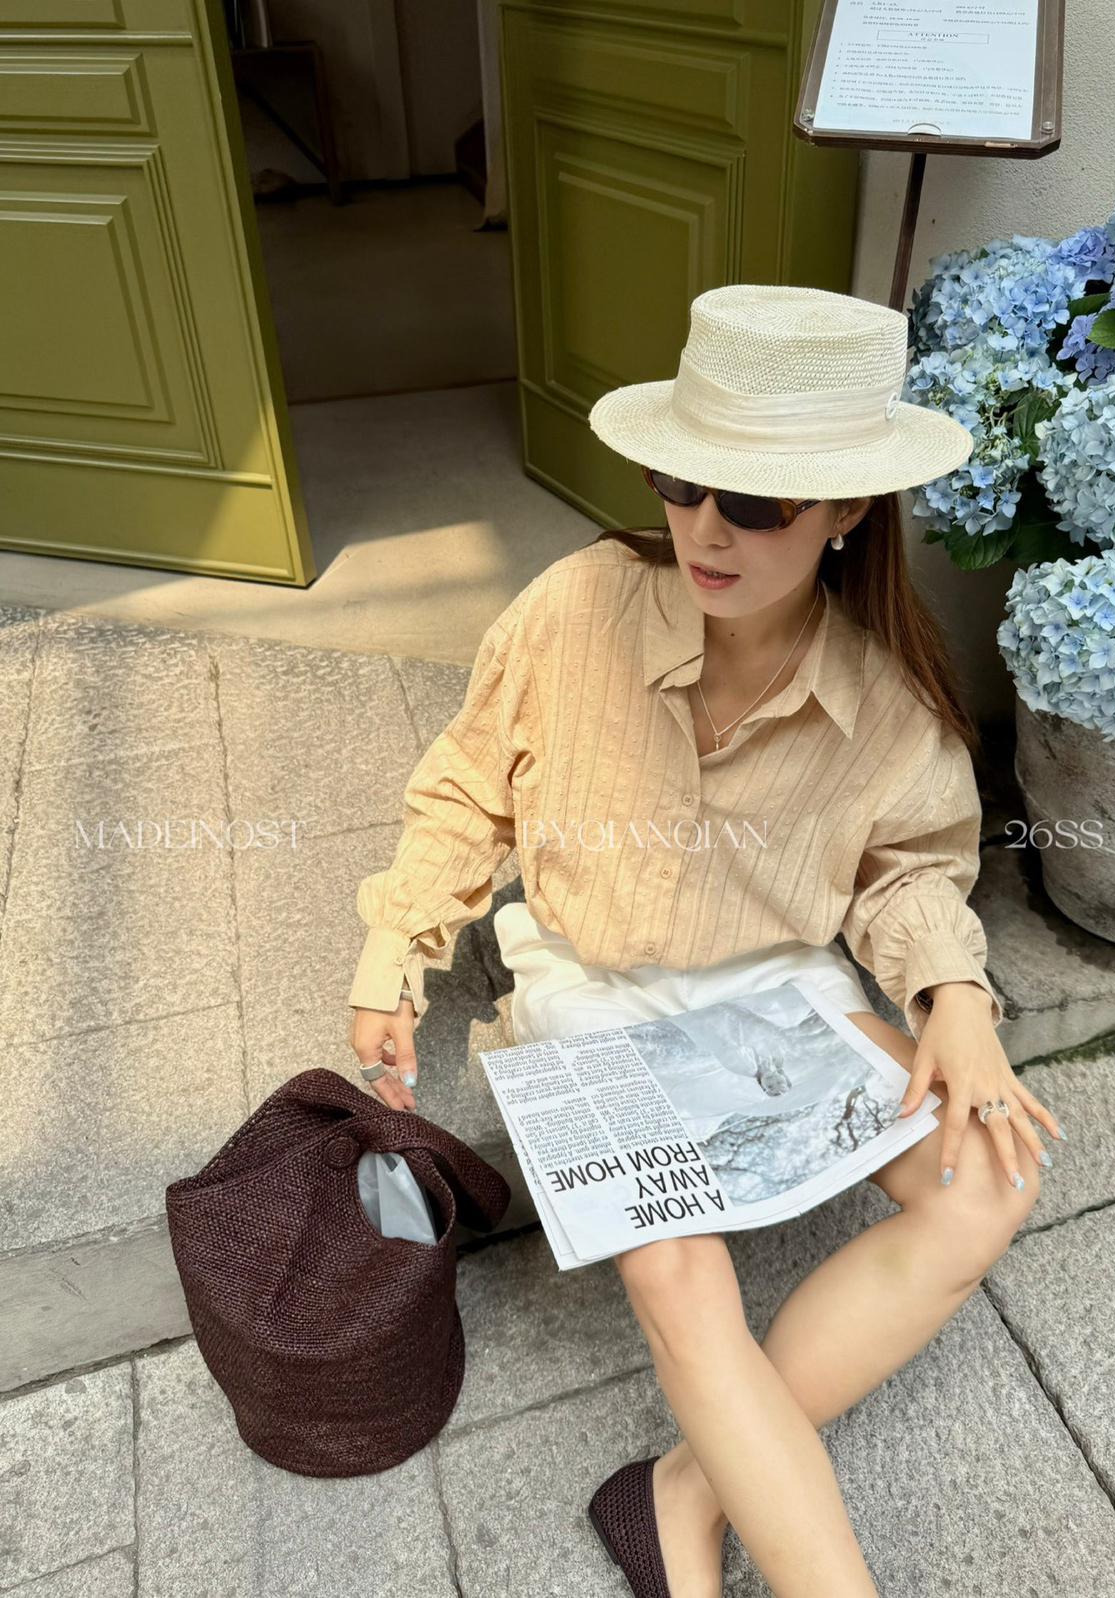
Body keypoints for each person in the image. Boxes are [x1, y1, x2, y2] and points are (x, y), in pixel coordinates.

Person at [347, 284, 1063, 1598]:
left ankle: (685, 1483)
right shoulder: (577, 608)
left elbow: (909, 869)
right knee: (680, 1272)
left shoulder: (886, 699)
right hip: (589, 984)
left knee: (991, 1185)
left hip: (778, 989)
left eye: (757, 502)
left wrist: (954, 994)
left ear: (847, 510)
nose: (706, 529)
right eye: (682, 482)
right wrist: (396, 947)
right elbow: (466, 785)